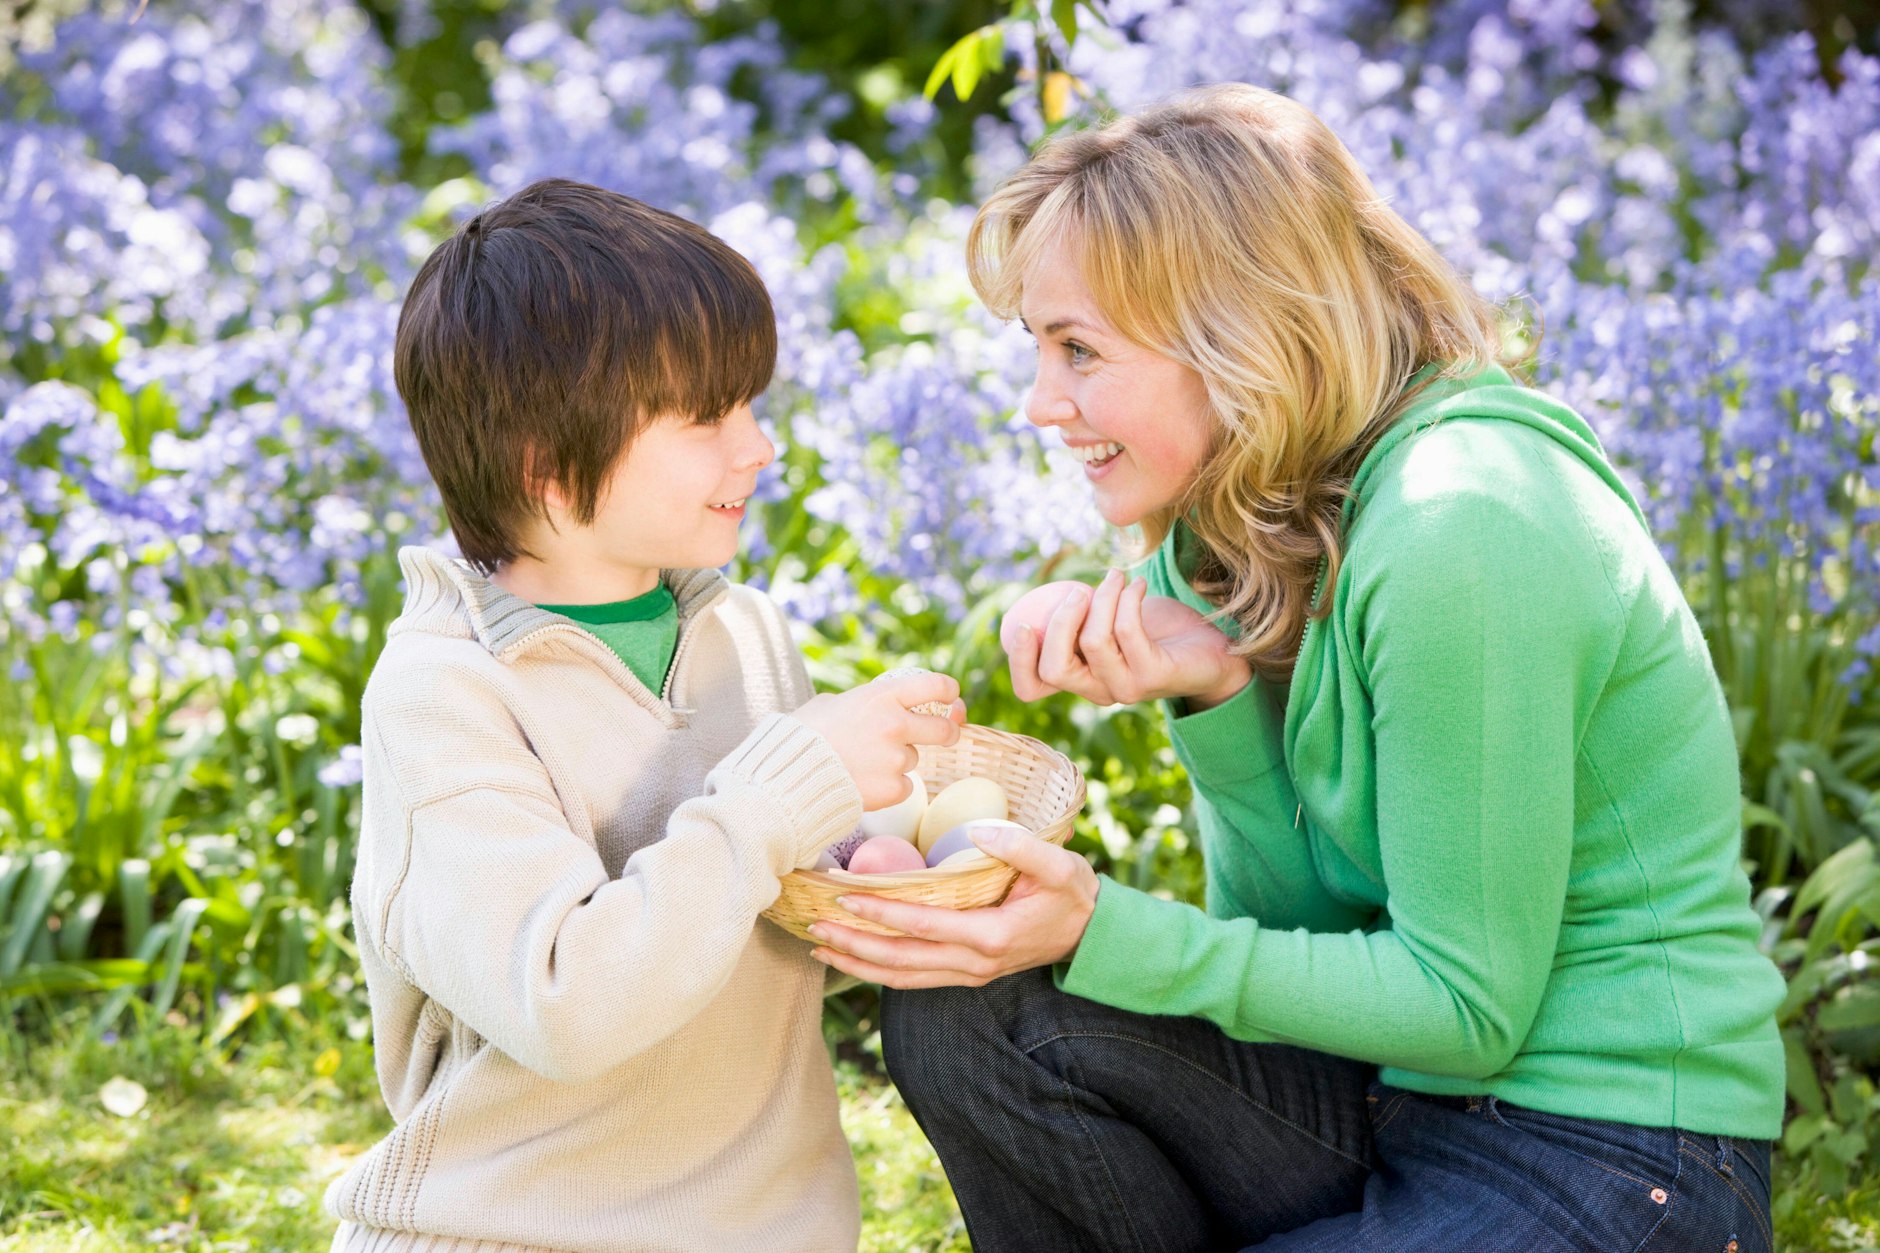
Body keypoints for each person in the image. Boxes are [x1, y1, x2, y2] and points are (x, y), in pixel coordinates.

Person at [804, 86, 1786, 1251]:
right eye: (1037, 348)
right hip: (1394, 1099)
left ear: (1241, 336)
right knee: (974, 1011)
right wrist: (1213, 693)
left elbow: (1464, 1009)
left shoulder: (1460, 526)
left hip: (1620, 1151)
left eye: (1079, 349)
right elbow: (1302, 933)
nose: (1038, 403)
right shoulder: (1241, 520)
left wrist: (1093, 929)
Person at [322, 178, 964, 1253]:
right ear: (546, 465)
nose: (756, 447)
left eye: (750, 405)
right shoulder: (446, 694)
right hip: (507, 1236)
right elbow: (565, 1002)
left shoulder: (742, 634)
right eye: (706, 417)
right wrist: (787, 785)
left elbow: (761, 901)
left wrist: (889, 851)